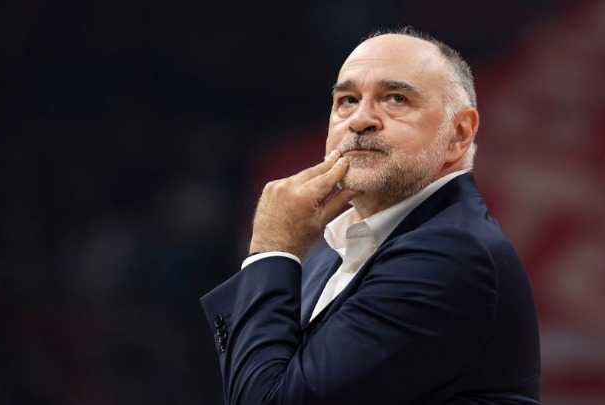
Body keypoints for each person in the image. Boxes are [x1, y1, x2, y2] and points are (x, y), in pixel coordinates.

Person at [201, 27, 540, 405]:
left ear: (459, 134)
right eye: (347, 100)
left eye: (396, 98)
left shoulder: (451, 254)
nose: (360, 120)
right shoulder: (328, 257)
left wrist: (272, 248)